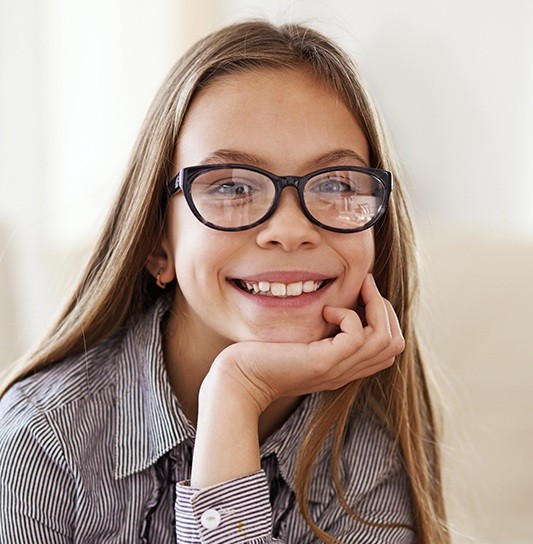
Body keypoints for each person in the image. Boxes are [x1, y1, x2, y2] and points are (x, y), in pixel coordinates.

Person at [0, 20, 449, 543]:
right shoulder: (38, 443)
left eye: (334, 183)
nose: (289, 230)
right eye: (232, 186)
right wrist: (239, 391)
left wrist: (235, 395)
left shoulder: (369, 456)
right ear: (157, 244)